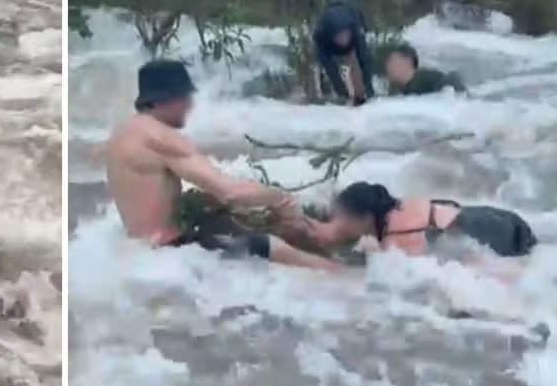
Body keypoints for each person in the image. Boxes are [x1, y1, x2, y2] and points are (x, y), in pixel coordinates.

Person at [105, 59, 341, 271]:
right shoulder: (161, 137)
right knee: (273, 247)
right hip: (173, 251)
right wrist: (280, 198)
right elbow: (230, 192)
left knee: (247, 227)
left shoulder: (124, 133)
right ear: (164, 99)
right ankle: (351, 281)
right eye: (185, 97)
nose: (190, 106)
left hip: (144, 251)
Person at [307, 181, 537, 258]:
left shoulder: (396, 237)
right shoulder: (396, 208)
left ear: (365, 217)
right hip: (494, 216)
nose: (340, 223)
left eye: (343, 219)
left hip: (496, 233)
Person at [313, 0, 375, 105]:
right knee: (326, 66)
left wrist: (369, 92)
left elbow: (365, 61)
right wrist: (343, 94)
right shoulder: (321, 36)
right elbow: (332, 71)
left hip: (352, 17)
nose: (344, 40)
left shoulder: (356, 31)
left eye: (346, 36)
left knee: (358, 61)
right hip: (329, 37)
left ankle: (360, 96)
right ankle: (326, 93)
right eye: (340, 37)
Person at [385, 43, 467, 96]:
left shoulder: (428, 79)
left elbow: (453, 86)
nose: (388, 66)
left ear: (406, 62)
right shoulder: (398, 89)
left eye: (392, 61)